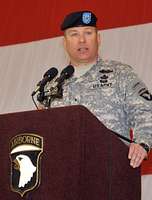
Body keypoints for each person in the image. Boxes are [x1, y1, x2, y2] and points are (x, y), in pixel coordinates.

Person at [42, 10, 152, 168]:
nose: (81, 40)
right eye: (74, 34)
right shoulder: (52, 86)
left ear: (98, 38)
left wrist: (142, 143)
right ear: (64, 42)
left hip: (111, 172)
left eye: (88, 33)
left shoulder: (121, 74)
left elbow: (146, 111)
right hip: (63, 176)